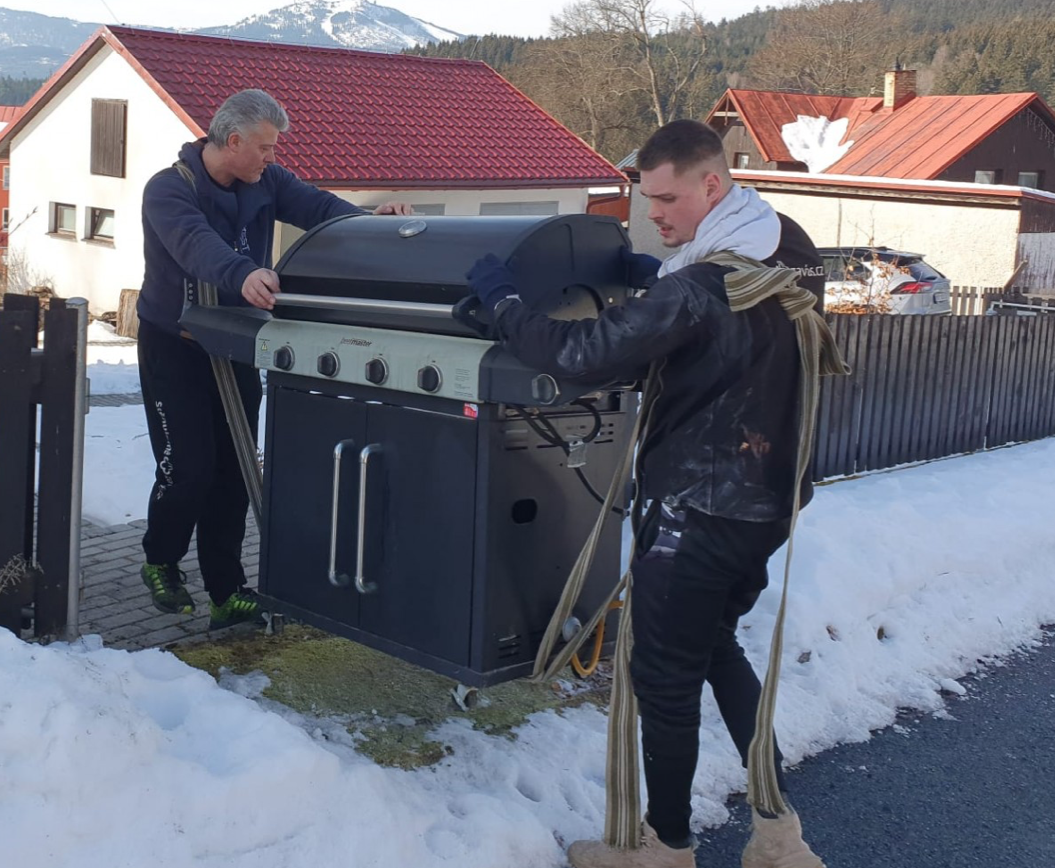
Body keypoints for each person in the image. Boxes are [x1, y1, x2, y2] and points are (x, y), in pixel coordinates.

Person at [465, 120, 829, 868]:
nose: (654, 215)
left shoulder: (697, 288)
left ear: (712, 185)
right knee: (714, 646)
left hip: (696, 510)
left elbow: (578, 354)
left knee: (660, 676)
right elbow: (722, 324)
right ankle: (777, 835)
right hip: (768, 500)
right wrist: (648, 276)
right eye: (645, 200)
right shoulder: (786, 246)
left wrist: (502, 302)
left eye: (666, 200)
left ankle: (663, 848)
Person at [136, 89, 411, 631]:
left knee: (235, 466)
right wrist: (242, 272)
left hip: (237, 341)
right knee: (187, 465)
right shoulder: (169, 190)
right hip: (176, 345)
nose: (271, 158)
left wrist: (375, 224)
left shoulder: (268, 183)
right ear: (232, 141)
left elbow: (322, 211)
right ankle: (161, 560)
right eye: (264, 147)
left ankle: (227, 589)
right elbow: (195, 244)